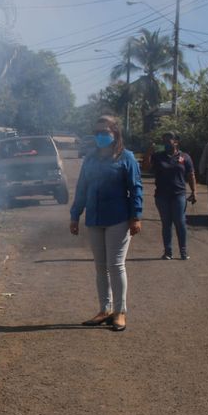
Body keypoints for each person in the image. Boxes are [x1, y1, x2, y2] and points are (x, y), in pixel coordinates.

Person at [69, 115, 143, 332]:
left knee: (116, 265)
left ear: (115, 133)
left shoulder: (126, 158)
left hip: (118, 218)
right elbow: (82, 188)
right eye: (98, 132)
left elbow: (136, 188)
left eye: (105, 132)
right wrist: (75, 215)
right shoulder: (90, 159)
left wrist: (136, 216)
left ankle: (120, 312)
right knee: (100, 267)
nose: (101, 136)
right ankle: (105, 309)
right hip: (95, 218)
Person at [148, 131, 196, 260]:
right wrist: (149, 152)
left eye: (169, 139)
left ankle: (183, 252)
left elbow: (191, 174)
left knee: (180, 222)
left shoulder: (185, 157)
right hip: (162, 196)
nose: (166, 142)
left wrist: (193, 191)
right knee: (166, 223)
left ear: (176, 141)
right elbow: (147, 168)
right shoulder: (158, 156)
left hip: (178, 195)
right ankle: (168, 252)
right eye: (164, 140)